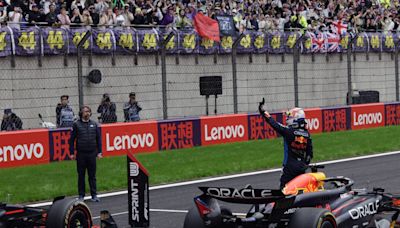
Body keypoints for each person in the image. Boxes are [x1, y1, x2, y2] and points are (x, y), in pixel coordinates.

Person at [258, 98, 313, 190]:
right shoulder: (307, 135)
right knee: (300, 189)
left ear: (295, 119)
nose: (288, 118)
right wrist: (303, 164)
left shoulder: (288, 131)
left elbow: (273, 123)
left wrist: (263, 111)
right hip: (302, 167)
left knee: (284, 191)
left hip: (289, 167)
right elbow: (309, 155)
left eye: (290, 117)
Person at [69, 106, 102, 202]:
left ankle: (94, 195)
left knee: (92, 175)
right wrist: (71, 153)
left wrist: (99, 152)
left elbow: (98, 139)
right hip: (81, 154)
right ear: (81, 113)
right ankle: (81, 195)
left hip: (92, 154)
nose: (86, 113)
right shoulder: (76, 125)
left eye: (88, 111)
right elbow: (71, 140)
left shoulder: (94, 124)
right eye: (84, 112)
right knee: (81, 175)